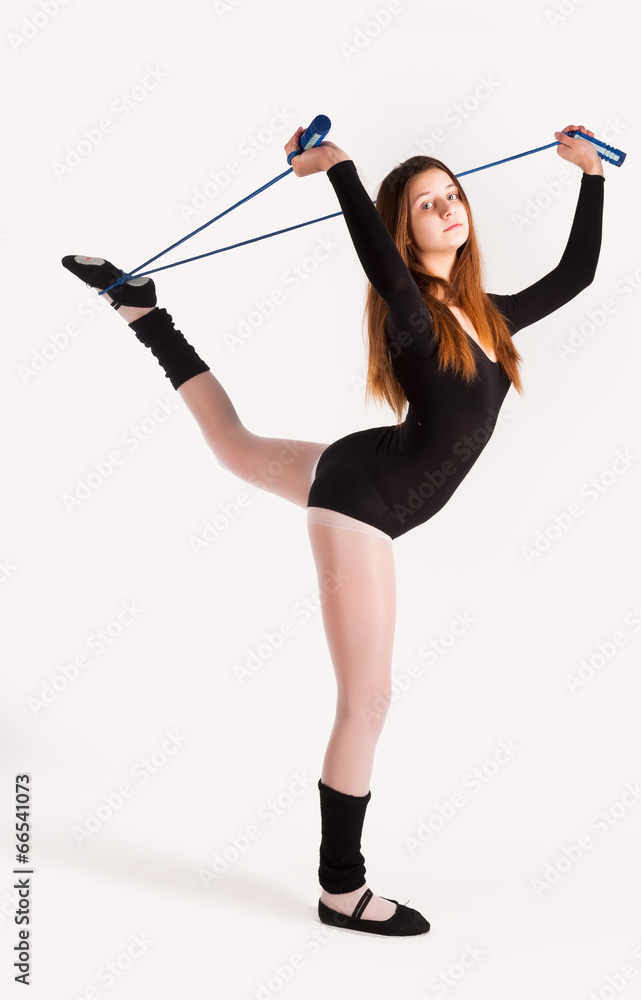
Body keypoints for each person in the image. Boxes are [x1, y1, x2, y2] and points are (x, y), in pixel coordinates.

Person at [61, 121, 604, 937]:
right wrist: (342, 170)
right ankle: (340, 891)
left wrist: (591, 176)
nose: (446, 208)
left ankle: (143, 314)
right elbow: (381, 269)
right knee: (367, 698)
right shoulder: (413, 315)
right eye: (425, 204)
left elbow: (578, 273)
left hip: (362, 466)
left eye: (451, 194)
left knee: (234, 447)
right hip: (363, 504)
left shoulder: (487, 316)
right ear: (403, 228)